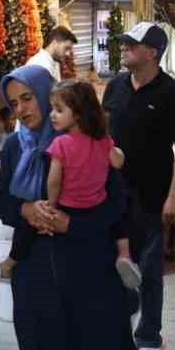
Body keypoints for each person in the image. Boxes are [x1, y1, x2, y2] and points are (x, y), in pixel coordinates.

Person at [0, 65, 138, 350]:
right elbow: (2, 200)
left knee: (87, 337)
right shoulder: (15, 147)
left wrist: (71, 223)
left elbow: (116, 203)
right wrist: (25, 208)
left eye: (27, 98)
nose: (21, 109)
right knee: (37, 349)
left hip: (84, 255)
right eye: (13, 102)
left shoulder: (84, 140)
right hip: (34, 262)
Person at [102, 22, 175, 350]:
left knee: (151, 270)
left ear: (152, 52)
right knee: (118, 267)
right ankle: (121, 334)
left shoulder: (169, 92)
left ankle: (149, 335)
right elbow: (102, 137)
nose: (124, 48)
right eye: (123, 43)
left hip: (153, 195)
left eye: (131, 44)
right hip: (114, 195)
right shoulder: (115, 87)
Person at [44, 78, 139, 287]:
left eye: (59, 110)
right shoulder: (102, 140)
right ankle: (124, 255)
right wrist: (116, 150)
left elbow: (54, 180)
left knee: (72, 265)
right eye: (52, 108)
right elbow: (118, 162)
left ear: (77, 114)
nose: (52, 114)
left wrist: (51, 204)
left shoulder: (60, 143)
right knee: (118, 223)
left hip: (69, 209)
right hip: (98, 206)